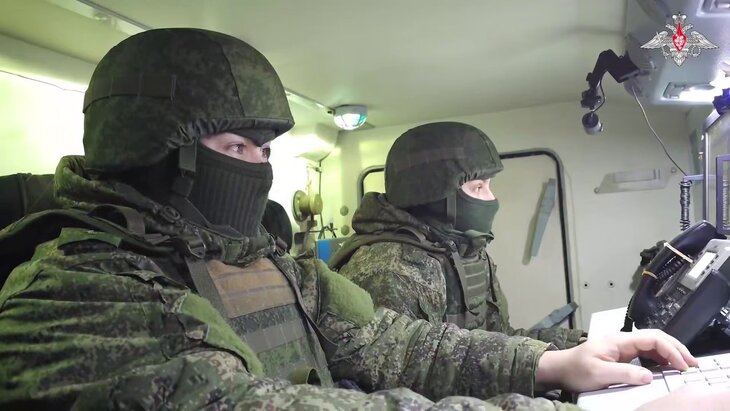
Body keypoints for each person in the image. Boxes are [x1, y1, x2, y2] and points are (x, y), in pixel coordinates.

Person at [0, 28, 709, 410]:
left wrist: (553, 361)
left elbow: (389, 344)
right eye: (236, 147)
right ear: (155, 148)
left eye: (265, 151)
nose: (257, 168)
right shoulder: (70, 297)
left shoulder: (266, 261)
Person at [330, 121, 585, 349]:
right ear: (435, 195)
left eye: (489, 186)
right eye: (478, 187)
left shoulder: (463, 251)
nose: (491, 198)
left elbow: (497, 340)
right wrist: (545, 366)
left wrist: (574, 344)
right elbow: (407, 375)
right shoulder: (388, 270)